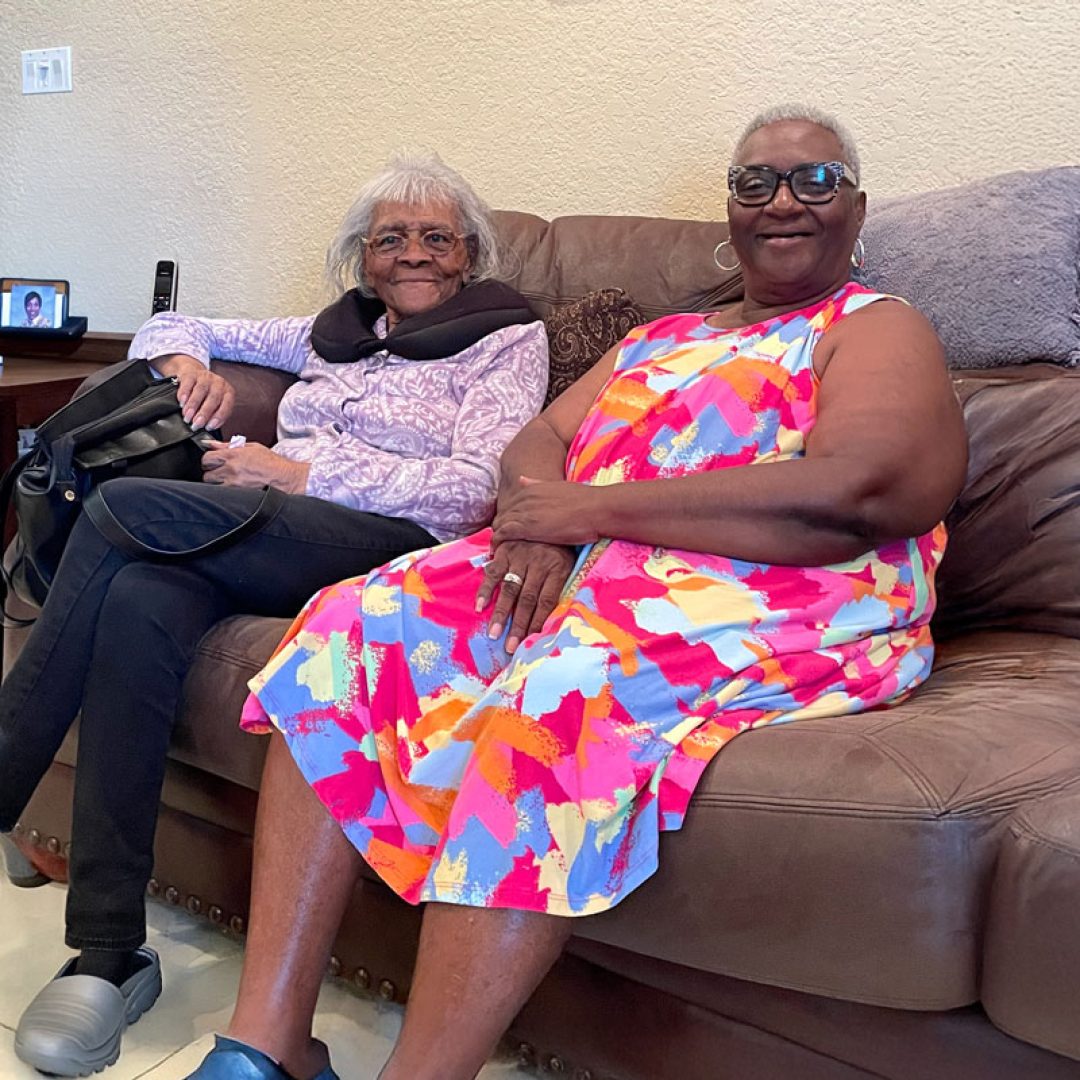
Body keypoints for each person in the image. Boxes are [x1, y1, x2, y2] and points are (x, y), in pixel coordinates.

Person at [190, 105, 968, 1080]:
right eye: (755, 182)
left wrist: (588, 515)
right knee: (354, 624)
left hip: (791, 594)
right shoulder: (665, 334)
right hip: (601, 572)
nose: (782, 202)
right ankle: (264, 1047)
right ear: (729, 210)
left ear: (855, 207)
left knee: (560, 693)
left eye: (814, 181)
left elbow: (864, 488)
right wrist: (539, 521)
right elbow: (536, 447)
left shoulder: (873, 324)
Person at [0, 153, 548, 1078]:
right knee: (138, 596)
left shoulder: (503, 339)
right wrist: (184, 359)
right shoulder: (332, 332)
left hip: (392, 546)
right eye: (391, 239)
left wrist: (301, 473)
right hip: (272, 530)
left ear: (469, 256)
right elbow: (182, 320)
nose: (413, 254)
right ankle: (108, 952)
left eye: (437, 238)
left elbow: (471, 491)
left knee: (124, 508)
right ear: (363, 259)